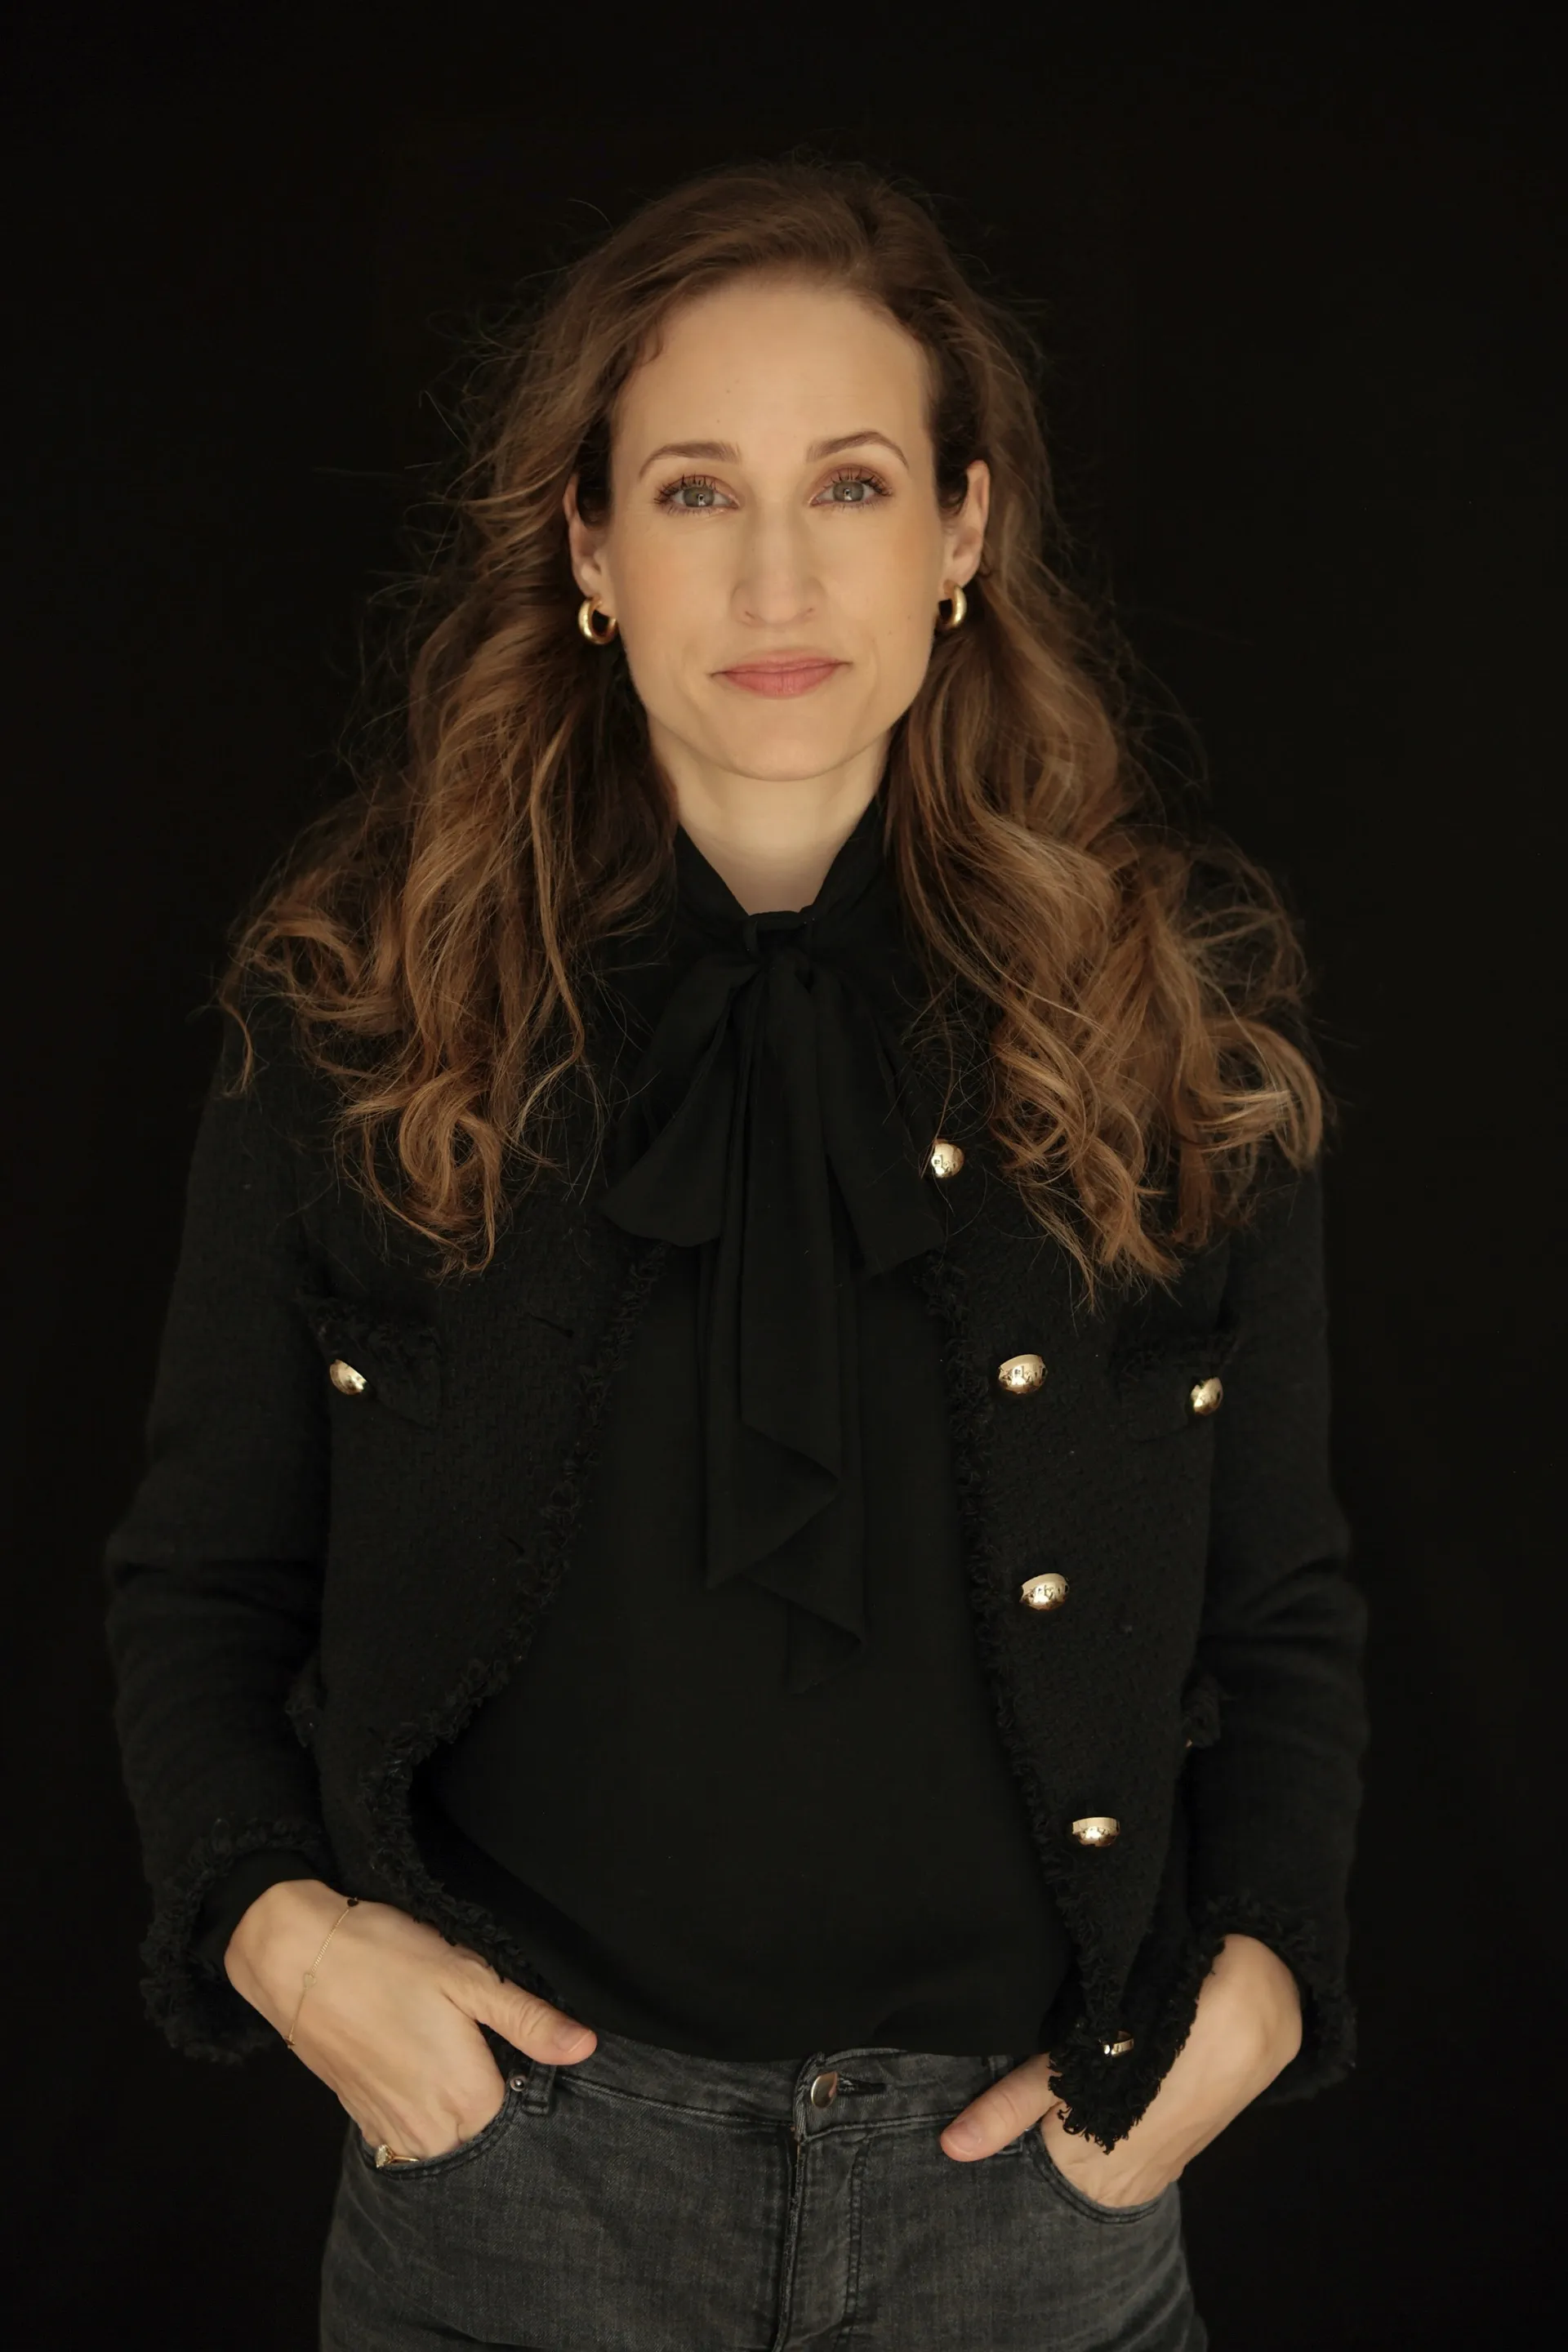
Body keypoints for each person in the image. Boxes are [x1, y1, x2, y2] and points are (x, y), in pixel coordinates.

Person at [102, 156, 1366, 2351]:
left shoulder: (1170, 1022)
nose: (779, 575)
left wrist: (1264, 1975)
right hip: (513, 2206)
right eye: (695, 491)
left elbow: (1282, 1606)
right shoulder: (364, 1016)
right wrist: (275, 1935)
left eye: (851, 483)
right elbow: (201, 1579)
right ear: (589, 546)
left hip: (1036, 2210)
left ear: (962, 530)